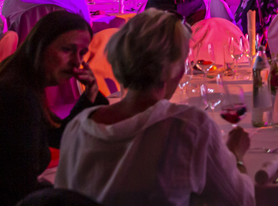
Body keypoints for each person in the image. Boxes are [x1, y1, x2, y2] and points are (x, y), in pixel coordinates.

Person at [55, 10, 254, 206]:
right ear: (175, 69)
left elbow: (61, 199)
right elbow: (242, 201)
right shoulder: (187, 128)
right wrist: (235, 156)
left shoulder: (77, 128)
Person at [0, 12, 107, 206]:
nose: (77, 61)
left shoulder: (22, 82)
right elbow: (19, 190)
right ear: (39, 46)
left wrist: (90, 94)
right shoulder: (18, 97)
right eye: (67, 49)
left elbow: (57, 136)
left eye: (82, 53)